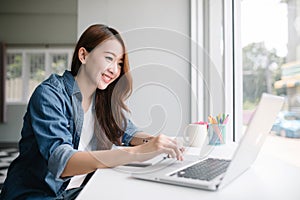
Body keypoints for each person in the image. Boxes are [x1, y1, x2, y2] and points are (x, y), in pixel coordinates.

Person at [0, 24, 184, 200]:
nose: (114, 70)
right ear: (83, 55)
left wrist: (157, 143)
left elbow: (129, 133)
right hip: (38, 194)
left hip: (79, 190)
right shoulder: (50, 95)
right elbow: (63, 162)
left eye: (119, 63)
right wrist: (139, 152)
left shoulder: (103, 100)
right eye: (109, 58)